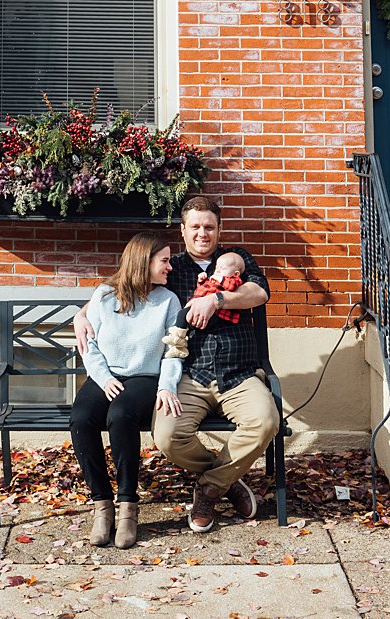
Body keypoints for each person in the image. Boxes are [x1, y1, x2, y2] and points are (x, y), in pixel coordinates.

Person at [75, 194, 279, 533]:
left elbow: (259, 294)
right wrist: (82, 314)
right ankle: (226, 479)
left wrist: (217, 299)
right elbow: (126, 285)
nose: (203, 233)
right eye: (195, 226)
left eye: (210, 227)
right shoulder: (171, 268)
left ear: (219, 229)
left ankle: (210, 488)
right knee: (168, 436)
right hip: (189, 374)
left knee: (266, 420)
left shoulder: (239, 259)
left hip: (238, 372)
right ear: (183, 230)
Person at [70, 232, 184, 549]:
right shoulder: (105, 296)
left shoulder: (168, 301)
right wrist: (104, 378)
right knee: (81, 419)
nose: (169, 268)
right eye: (164, 261)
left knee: (121, 415)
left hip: (144, 378)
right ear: (142, 262)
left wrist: (166, 386)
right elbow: (88, 346)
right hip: (106, 376)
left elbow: (174, 350)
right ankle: (102, 506)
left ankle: (128, 507)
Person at [192, 250, 246, 324]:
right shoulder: (214, 281)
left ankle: (180, 331)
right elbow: (203, 289)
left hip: (216, 313)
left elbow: (231, 286)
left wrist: (220, 279)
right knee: (183, 315)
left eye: (222, 269)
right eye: (216, 268)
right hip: (197, 304)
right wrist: (201, 281)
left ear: (236, 274)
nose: (217, 271)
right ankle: (177, 332)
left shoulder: (233, 280)